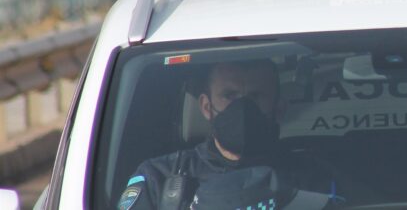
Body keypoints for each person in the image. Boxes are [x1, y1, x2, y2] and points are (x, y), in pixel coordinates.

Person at [117, 60, 338, 210]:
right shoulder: (159, 177)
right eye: (230, 95)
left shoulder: (312, 176)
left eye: (255, 96)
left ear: (278, 108)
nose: (242, 107)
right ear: (206, 106)